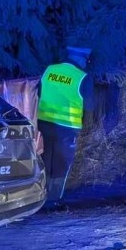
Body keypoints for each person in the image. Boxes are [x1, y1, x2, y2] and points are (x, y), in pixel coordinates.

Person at [36, 46, 91, 202]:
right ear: (80, 59)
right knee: (61, 164)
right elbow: (90, 107)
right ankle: (54, 200)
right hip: (67, 129)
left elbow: (38, 93)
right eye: (86, 61)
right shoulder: (82, 77)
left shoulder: (49, 70)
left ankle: (39, 197)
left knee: (44, 160)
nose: (86, 64)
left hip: (44, 123)